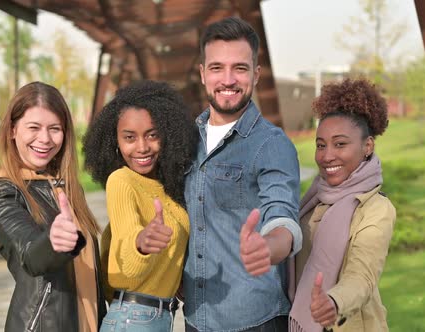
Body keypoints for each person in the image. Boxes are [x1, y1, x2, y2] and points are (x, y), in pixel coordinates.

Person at [183, 17, 302, 331]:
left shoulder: (272, 145)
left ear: (256, 74)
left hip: (254, 320)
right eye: (217, 67)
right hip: (197, 318)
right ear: (202, 74)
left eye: (240, 68)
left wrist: (270, 246)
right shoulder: (185, 139)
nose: (228, 79)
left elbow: (283, 216)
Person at [0, 81, 106, 332]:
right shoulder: (4, 191)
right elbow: (30, 255)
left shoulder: (65, 187)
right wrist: (53, 242)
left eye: (54, 128)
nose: (45, 139)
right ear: (12, 130)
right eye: (34, 127)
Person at [82, 80, 197, 332]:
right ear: (115, 141)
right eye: (129, 137)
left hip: (160, 318)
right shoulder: (121, 181)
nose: (142, 147)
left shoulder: (169, 187)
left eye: (152, 135)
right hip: (132, 319)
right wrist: (140, 244)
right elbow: (126, 267)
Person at [289, 78, 396, 332]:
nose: (327, 156)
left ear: (367, 146)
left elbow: (363, 276)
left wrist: (333, 302)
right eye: (320, 145)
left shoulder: (376, 209)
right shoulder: (314, 198)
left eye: (340, 144)